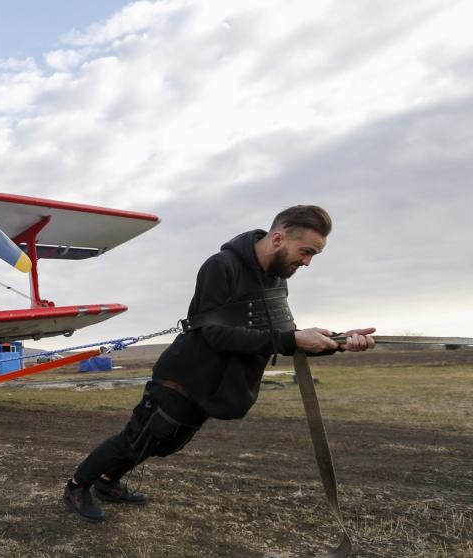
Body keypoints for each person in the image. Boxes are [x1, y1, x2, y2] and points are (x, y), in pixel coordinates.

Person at [63, 205, 376, 522]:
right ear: (279, 238)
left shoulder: (276, 281)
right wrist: (291, 340)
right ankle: (77, 486)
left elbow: (283, 335)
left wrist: (337, 342)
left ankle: (106, 482)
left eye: (313, 256)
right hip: (182, 378)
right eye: (305, 251)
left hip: (212, 387)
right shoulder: (221, 266)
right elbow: (215, 335)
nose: (307, 262)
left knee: (161, 444)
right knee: (135, 440)